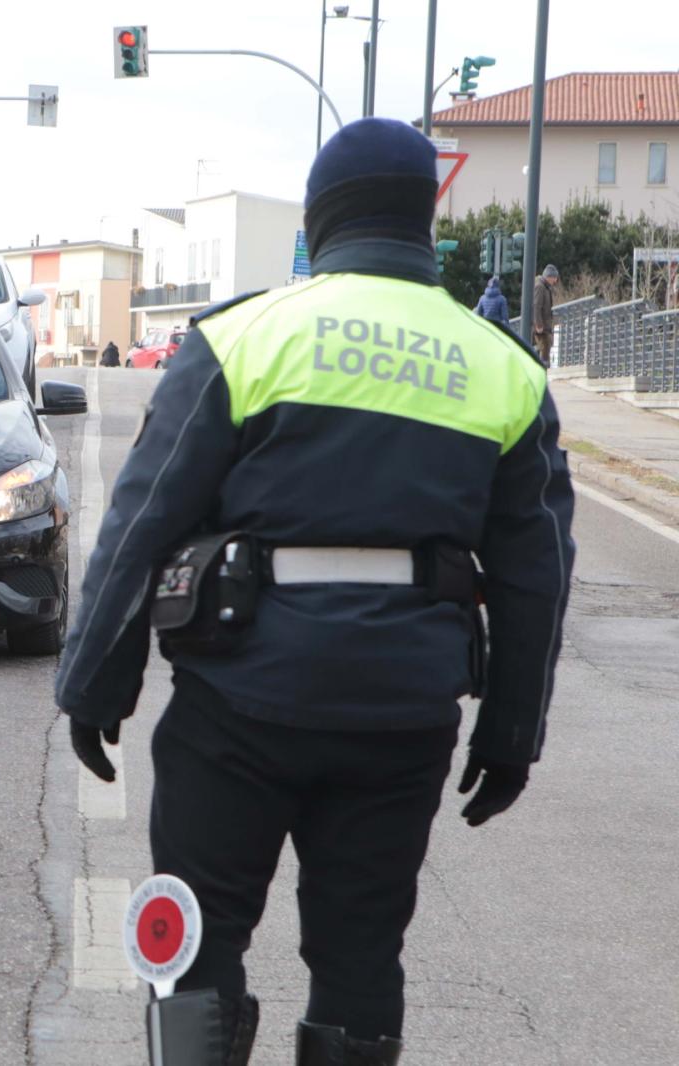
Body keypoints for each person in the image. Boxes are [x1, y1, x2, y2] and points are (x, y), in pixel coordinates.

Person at [55, 118, 575, 1065]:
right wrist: (511, 735)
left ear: (320, 216)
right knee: (361, 956)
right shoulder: (503, 369)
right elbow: (537, 575)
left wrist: (95, 682)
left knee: (199, 938)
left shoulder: (244, 338)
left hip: (239, 705)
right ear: (426, 217)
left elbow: (145, 520)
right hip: (402, 718)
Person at [532, 263, 559, 366]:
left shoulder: (545, 287)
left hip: (545, 326)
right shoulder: (540, 287)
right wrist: (538, 325)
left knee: (545, 349)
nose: (555, 281)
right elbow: (537, 306)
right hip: (541, 328)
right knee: (544, 352)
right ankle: (542, 375)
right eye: (554, 278)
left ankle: (543, 372)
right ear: (549, 277)